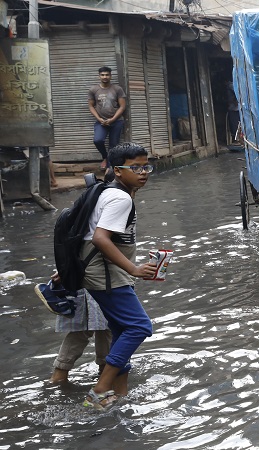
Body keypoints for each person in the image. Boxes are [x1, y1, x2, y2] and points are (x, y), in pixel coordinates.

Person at [80, 142, 156, 409]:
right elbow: (100, 239)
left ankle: (121, 395)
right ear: (117, 170)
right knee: (139, 326)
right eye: (135, 167)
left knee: (121, 329)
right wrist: (133, 268)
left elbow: (91, 233)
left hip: (101, 271)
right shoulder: (121, 197)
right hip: (106, 273)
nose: (143, 172)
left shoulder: (111, 191)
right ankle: (100, 389)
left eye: (146, 166)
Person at [47, 277, 112, 384]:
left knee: (103, 326)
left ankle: (106, 370)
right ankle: (59, 374)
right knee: (86, 327)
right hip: (93, 278)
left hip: (95, 278)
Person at [88, 66, 127, 170]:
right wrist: (99, 118)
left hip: (116, 121)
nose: (105, 77)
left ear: (110, 76)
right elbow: (91, 106)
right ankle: (105, 157)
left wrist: (113, 119)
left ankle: (110, 170)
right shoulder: (93, 90)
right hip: (101, 122)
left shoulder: (117, 89)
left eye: (107, 75)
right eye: (102, 75)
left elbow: (122, 106)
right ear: (99, 76)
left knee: (113, 145)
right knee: (98, 140)